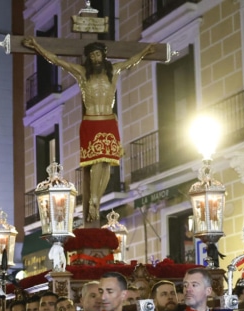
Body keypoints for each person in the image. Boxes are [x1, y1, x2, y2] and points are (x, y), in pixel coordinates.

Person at [22, 37, 155, 221]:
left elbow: (131, 62)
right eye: (92, 55)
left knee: (107, 162)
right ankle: (92, 198)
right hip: (91, 121)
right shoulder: (83, 74)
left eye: (98, 54)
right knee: (95, 163)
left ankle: (95, 200)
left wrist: (145, 52)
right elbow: (58, 60)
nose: (95, 58)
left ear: (103, 55)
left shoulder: (113, 72)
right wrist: (37, 46)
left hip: (108, 120)